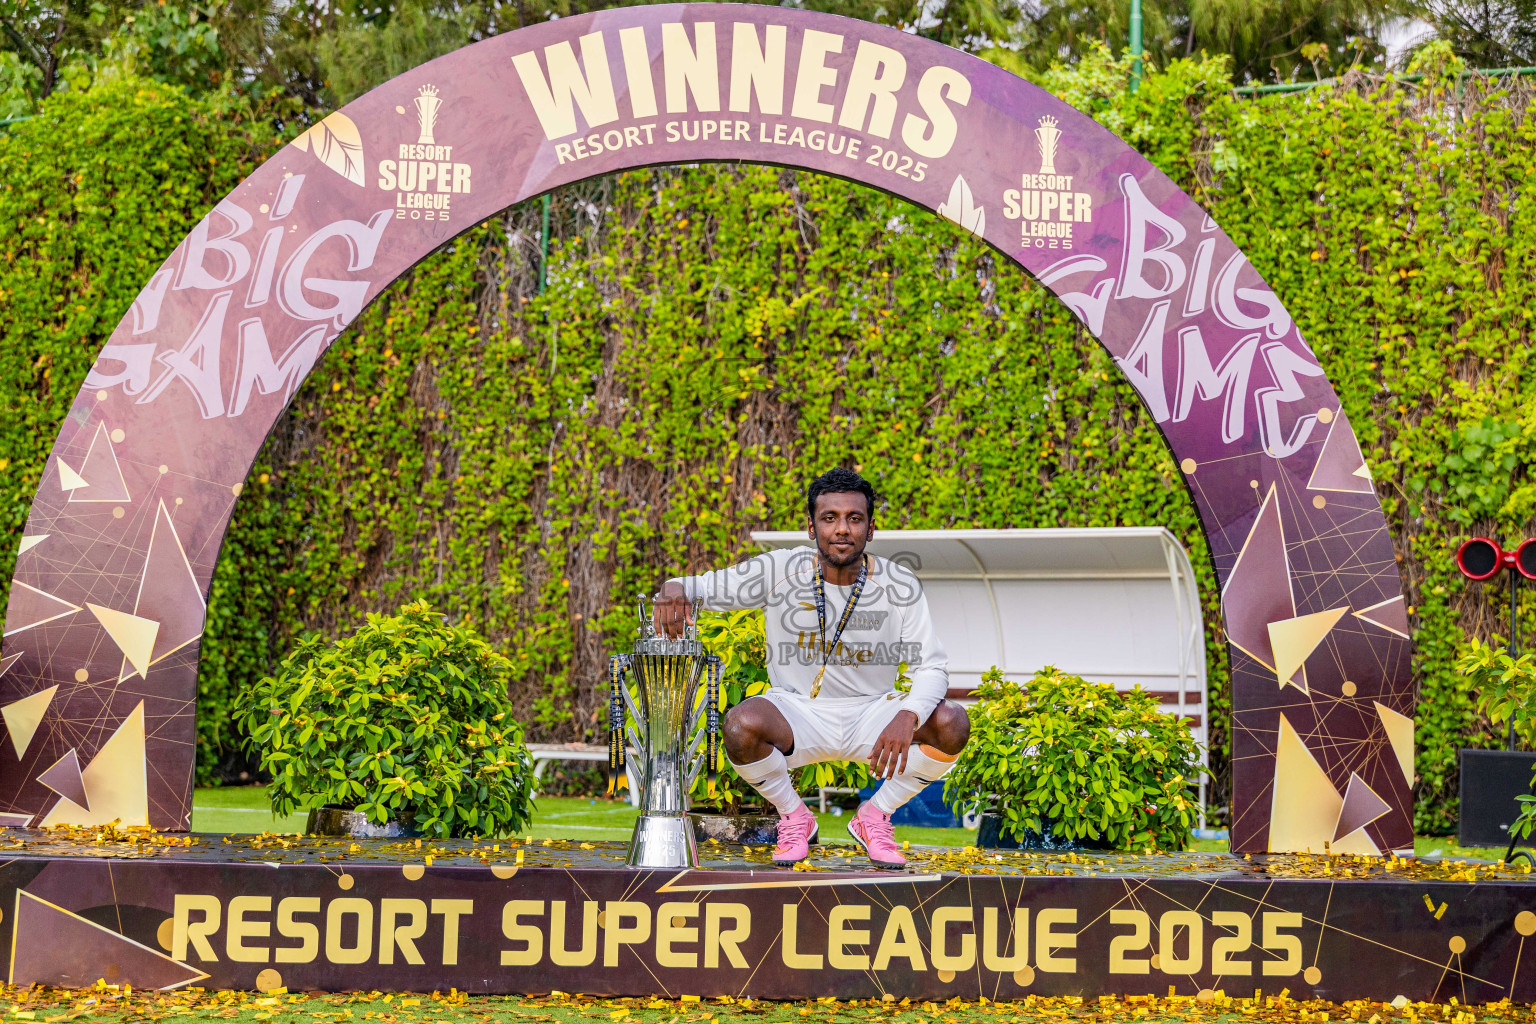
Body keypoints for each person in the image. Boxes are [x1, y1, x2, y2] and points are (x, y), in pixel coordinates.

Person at [653, 467, 969, 869]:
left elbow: (932, 666)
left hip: (873, 711)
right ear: (811, 527)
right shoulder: (779, 569)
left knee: (952, 722)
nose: (842, 529)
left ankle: (875, 815)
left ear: (870, 529)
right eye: (830, 518)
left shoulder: (898, 582)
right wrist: (672, 590)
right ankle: (795, 816)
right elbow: (697, 586)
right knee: (740, 724)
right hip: (797, 711)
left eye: (854, 519)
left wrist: (908, 714)